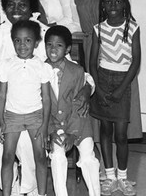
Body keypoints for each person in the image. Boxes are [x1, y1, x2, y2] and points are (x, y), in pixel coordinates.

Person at [75, 0, 143, 178]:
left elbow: (120, 20)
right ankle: (104, 167)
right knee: (98, 112)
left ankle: (120, 172)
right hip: (90, 46)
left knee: (120, 118)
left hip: (116, 56)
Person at [0, 0, 46, 196]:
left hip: (34, 104)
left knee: (29, 141)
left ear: (31, 6)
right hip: (3, 100)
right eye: (11, 5)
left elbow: (63, 68)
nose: (16, 10)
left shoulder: (43, 33)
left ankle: (30, 187)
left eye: (22, 5)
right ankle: (10, 188)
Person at [89, 0, 141, 196]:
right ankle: (109, 177)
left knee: (120, 134)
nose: (113, 5)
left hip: (122, 81)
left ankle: (123, 177)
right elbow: (93, 62)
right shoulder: (98, 29)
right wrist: (98, 88)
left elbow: (136, 61)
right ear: (103, 5)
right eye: (108, 1)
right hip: (102, 78)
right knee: (105, 130)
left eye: (117, 1)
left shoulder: (133, 27)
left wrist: (122, 87)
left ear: (124, 4)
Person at [0, 20, 52, 196]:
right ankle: (6, 193)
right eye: (17, 40)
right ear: (12, 42)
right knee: (7, 157)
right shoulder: (6, 64)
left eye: (27, 40)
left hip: (35, 115)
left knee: (40, 156)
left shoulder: (42, 67)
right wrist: (1, 121)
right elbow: (2, 96)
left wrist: (44, 126)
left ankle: (41, 194)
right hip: (12, 116)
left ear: (36, 43)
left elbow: (47, 98)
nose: (22, 45)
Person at [44, 25, 100, 196]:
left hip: (78, 123)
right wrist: (51, 132)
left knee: (88, 157)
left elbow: (78, 105)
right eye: (49, 45)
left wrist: (74, 133)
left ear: (68, 48)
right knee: (58, 156)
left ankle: (95, 193)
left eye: (59, 45)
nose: (53, 49)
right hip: (53, 125)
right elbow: (40, 106)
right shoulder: (39, 70)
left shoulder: (77, 71)